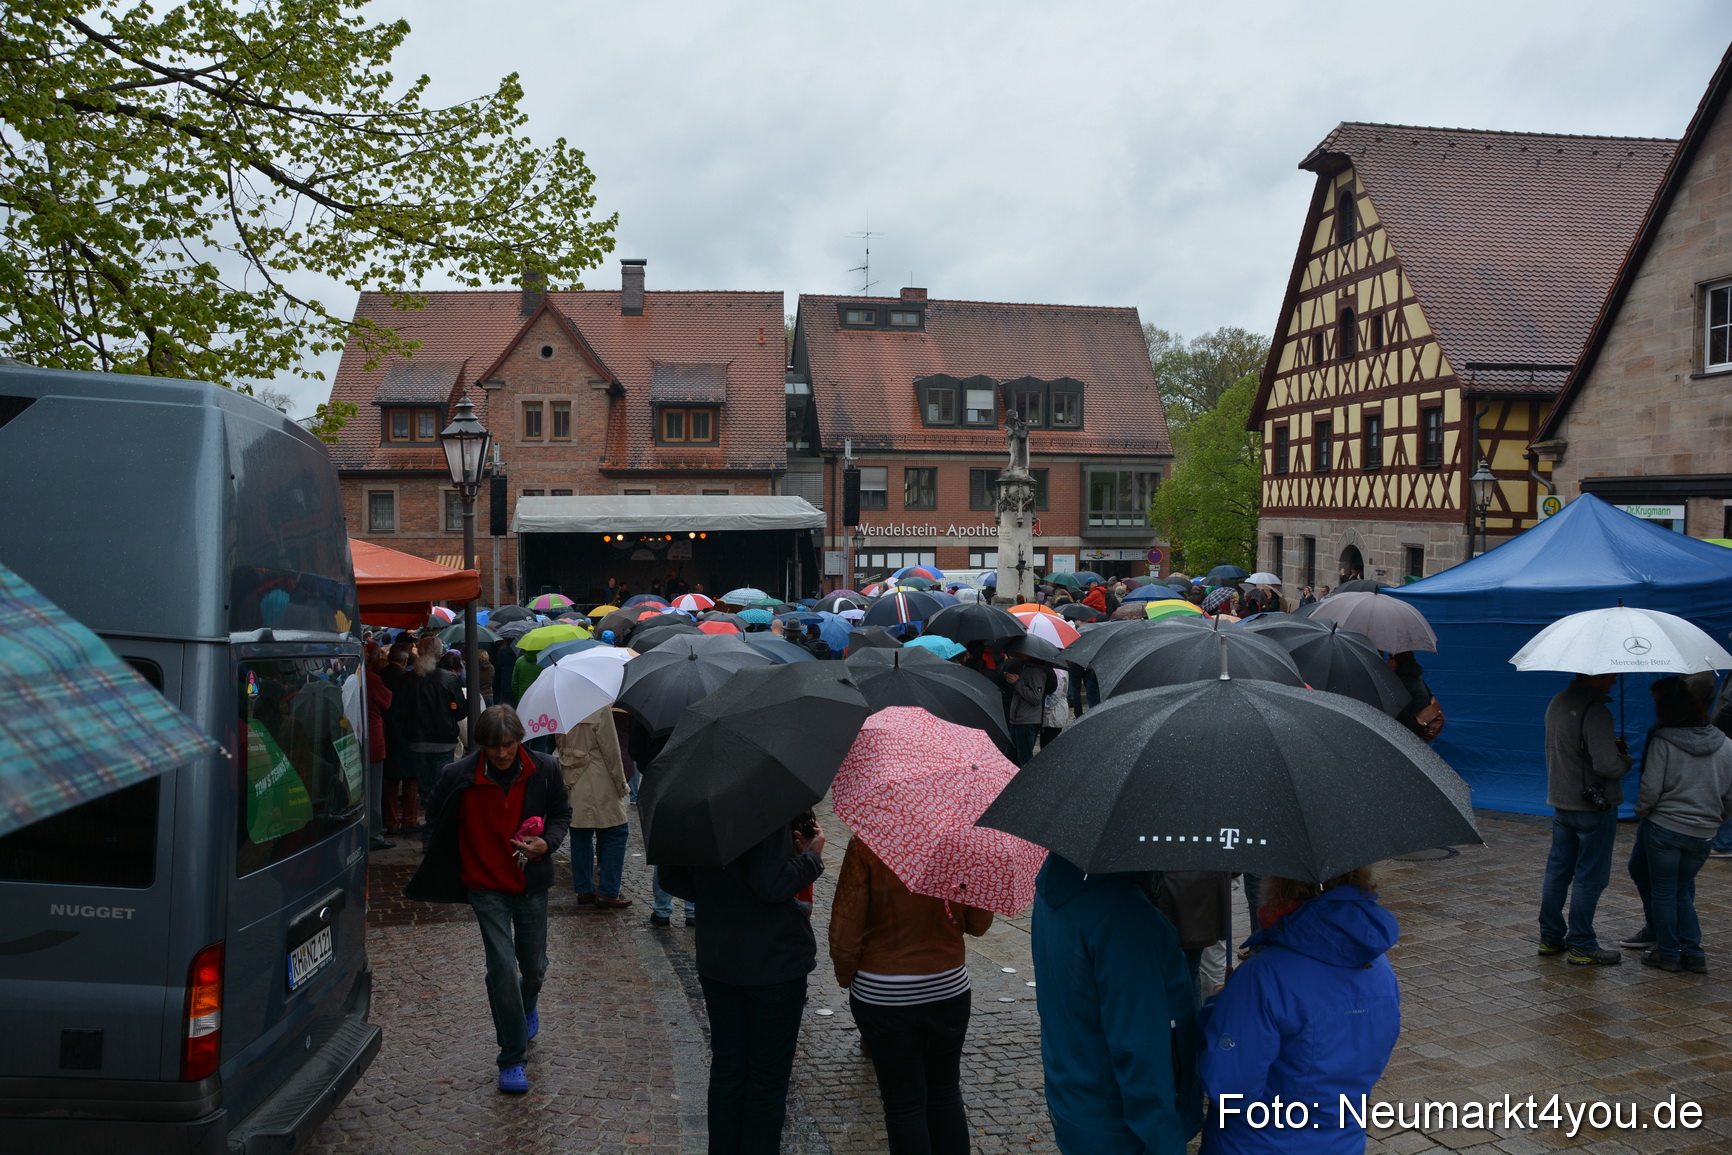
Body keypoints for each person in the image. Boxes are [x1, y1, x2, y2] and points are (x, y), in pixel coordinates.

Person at [403, 705, 572, 1094]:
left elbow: (562, 813)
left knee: (534, 968)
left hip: (530, 884)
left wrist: (547, 842)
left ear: (519, 741)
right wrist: (449, 857)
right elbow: (436, 814)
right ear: (481, 745)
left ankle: (527, 1006)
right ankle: (512, 1058)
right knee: (501, 968)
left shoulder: (545, 768)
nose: (501, 753)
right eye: (493, 746)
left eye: (508, 745)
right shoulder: (457, 775)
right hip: (484, 886)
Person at [1198, 870, 1400, 1155]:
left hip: (1258, 1145)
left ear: (1281, 887)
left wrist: (1221, 1008)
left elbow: (1231, 1089)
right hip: (1342, 1142)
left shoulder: (1262, 976)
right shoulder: (1379, 966)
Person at [660, 821, 826, 1155]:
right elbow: (770, 884)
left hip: (719, 955)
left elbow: (671, 878)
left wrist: (721, 891)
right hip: (772, 963)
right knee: (767, 1079)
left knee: (728, 1070)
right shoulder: (764, 807)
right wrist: (810, 857)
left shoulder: (694, 807)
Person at [828, 837, 992, 1155]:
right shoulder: (967, 843)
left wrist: (846, 976)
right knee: (945, 1093)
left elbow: (846, 931)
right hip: (948, 986)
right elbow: (978, 923)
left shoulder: (868, 844)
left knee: (903, 1105)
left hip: (883, 992)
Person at [1031, 854, 1202, 1152]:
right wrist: (1165, 1142)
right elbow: (1140, 1048)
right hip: (1119, 1126)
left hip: (1075, 1101)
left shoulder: (1057, 887)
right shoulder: (1124, 917)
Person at [1619, 676, 1732, 971]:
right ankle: (1693, 953)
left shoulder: (1664, 741)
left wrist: (1643, 812)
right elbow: (1730, 795)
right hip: (1703, 832)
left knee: (1666, 891)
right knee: (1680, 889)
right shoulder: (1727, 745)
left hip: (1665, 827)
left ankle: (1669, 952)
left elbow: (1651, 788)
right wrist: (1717, 819)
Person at [1538, 673, 1631, 965]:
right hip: (1593, 808)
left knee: (1558, 872)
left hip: (1562, 802)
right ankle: (1582, 944)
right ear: (1596, 675)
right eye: (1611, 676)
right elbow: (1606, 765)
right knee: (1590, 877)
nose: (1614, 682)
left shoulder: (1557, 702)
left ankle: (1551, 937)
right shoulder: (1596, 711)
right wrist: (1624, 760)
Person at [558, 704, 633, 910]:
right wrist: (621, 784)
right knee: (617, 831)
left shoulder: (561, 706)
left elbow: (559, 743)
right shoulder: (599, 706)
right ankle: (608, 891)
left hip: (573, 777)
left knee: (580, 834)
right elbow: (611, 750)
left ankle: (584, 889)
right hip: (600, 778)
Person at [395, 635, 465, 844]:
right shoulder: (448, 678)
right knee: (440, 787)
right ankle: (436, 834)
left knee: (427, 790)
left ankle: (432, 834)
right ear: (438, 653)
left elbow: (398, 712)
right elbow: (461, 711)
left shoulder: (407, 679)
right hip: (442, 740)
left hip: (417, 741)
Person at [363, 643, 395, 850]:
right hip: (372, 741)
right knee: (374, 789)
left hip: (354, 738)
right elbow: (387, 701)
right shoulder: (372, 680)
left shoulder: (350, 676)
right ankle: (373, 834)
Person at [1000, 655, 1049, 767]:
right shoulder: (1023, 667)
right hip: (1017, 719)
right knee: (1011, 758)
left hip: (1027, 721)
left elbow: (1036, 698)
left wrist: (1017, 683)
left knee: (1024, 759)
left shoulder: (1036, 671)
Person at [1387, 651, 1441, 742]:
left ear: (1398, 661)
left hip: (1412, 734)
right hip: (1419, 730)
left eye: (1390, 659)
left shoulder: (1406, 681)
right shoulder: (1413, 675)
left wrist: (1394, 724)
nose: (1387, 662)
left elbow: (1406, 709)